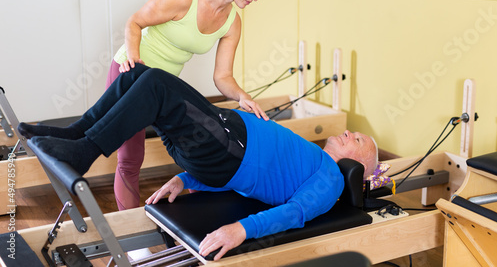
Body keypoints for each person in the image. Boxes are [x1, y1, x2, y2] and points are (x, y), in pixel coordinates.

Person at [19, 64, 378, 261]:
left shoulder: (330, 177)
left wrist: (240, 229)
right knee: (141, 76)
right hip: (215, 146)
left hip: (224, 148)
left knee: (156, 86)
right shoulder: (314, 156)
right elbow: (251, 181)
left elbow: (296, 213)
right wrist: (186, 180)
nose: (349, 133)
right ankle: (75, 135)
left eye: (357, 140)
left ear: (359, 165)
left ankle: (83, 152)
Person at [106, 0, 273, 214]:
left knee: (199, 150)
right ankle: (130, 239)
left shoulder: (232, 22)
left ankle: (200, 222)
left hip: (163, 85)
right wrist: (134, 62)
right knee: (131, 157)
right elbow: (134, 22)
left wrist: (243, 97)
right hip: (130, 71)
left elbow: (223, 76)